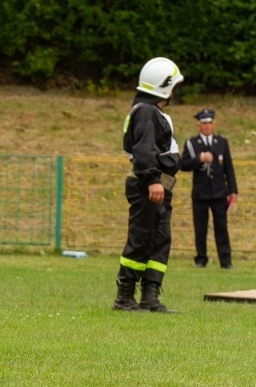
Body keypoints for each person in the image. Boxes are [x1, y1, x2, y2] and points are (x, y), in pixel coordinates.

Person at [113, 57, 184, 313]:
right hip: (148, 185)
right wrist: (154, 180)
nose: (175, 91)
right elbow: (143, 152)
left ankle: (150, 297)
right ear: (164, 86)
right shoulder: (146, 112)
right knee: (142, 238)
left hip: (160, 186)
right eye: (173, 85)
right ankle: (125, 296)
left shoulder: (153, 112)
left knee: (160, 239)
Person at [180, 108, 238, 269]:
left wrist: (233, 190)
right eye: (204, 123)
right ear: (199, 125)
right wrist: (199, 159)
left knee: (221, 227)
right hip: (200, 193)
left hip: (219, 192)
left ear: (214, 124)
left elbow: (228, 167)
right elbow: (183, 165)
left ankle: (225, 261)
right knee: (200, 228)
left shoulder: (221, 142)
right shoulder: (192, 143)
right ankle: (201, 258)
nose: (207, 126)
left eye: (210, 123)